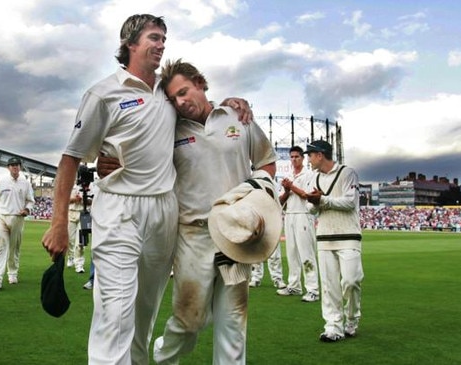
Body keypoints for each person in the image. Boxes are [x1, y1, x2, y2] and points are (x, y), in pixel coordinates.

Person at [41, 14, 252, 364]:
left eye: (164, 38)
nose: (162, 44)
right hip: (120, 209)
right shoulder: (103, 94)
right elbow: (71, 158)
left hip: (164, 212)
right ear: (130, 43)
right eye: (154, 37)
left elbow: (201, 113)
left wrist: (233, 102)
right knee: (115, 313)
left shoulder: (168, 96)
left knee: (144, 313)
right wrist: (59, 222)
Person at [147, 59, 276, 364]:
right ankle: (164, 356)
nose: (180, 102)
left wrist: (254, 198)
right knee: (190, 320)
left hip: (236, 235)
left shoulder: (236, 116)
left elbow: (266, 161)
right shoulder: (170, 128)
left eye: (184, 92)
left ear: (200, 83)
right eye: (174, 98)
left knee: (233, 321)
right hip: (194, 234)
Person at [304, 140, 363, 342]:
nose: (308, 159)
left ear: (320, 155)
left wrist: (322, 200)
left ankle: (352, 320)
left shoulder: (347, 173)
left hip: (349, 236)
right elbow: (310, 209)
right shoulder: (314, 178)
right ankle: (333, 327)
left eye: (310, 155)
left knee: (351, 281)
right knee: (329, 286)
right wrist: (313, 202)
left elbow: (349, 202)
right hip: (324, 237)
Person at [277, 146, 320, 302]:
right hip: (289, 215)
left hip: (303, 215)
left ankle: (313, 289)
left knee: (306, 253)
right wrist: (287, 190)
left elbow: (308, 196)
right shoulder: (288, 176)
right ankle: (294, 286)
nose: (294, 159)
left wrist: (291, 187)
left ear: (302, 158)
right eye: (292, 157)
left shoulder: (309, 175)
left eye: (297, 157)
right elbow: (282, 200)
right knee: (292, 253)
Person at [0, 157, 35, 289]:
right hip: (2, 217)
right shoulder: (1, 181)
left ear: (20, 167)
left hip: (17, 218)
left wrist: (27, 209)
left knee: (14, 248)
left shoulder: (25, 183)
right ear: (8, 167)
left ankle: (12, 273)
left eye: (17, 165)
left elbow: (31, 200)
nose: (15, 167)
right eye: (12, 165)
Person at [67, 186, 86, 273]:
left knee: (81, 242)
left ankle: (79, 265)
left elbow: (94, 201)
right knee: (70, 239)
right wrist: (75, 199)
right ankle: (70, 256)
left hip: (84, 214)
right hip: (71, 212)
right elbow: (66, 200)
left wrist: (83, 200)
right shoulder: (71, 184)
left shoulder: (91, 185)